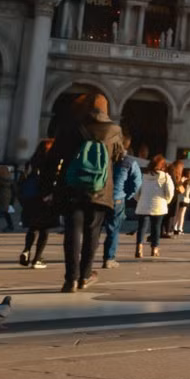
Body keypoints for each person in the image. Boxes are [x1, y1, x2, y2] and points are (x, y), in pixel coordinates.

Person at [46, 94, 130, 292]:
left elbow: (52, 158)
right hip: (100, 189)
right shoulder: (114, 130)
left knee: (72, 232)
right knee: (93, 233)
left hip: (71, 187)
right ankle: (85, 276)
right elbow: (119, 156)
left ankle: (70, 280)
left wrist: (48, 188)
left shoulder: (70, 127)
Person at [18, 138, 59, 269]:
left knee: (33, 227)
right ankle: (37, 259)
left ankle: (26, 250)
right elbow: (51, 180)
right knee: (44, 229)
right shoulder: (51, 162)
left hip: (30, 198)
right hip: (44, 198)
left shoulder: (32, 162)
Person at [102, 147, 143, 266]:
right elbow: (137, 183)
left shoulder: (105, 158)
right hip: (117, 197)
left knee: (93, 229)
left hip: (100, 196)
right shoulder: (129, 162)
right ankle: (109, 259)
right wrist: (126, 195)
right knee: (113, 229)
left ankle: (86, 258)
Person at [133, 156, 175, 258]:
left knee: (142, 227)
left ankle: (139, 247)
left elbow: (136, 191)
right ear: (163, 166)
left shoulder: (144, 176)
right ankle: (154, 249)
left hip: (143, 205)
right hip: (158, 205)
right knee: (156, 227)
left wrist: (140, 200)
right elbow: (170, 192)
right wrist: (166, 201)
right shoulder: (165, 177)